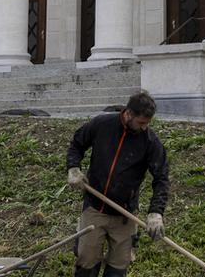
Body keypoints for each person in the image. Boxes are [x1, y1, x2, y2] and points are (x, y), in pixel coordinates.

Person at [66, 90, 170, 277]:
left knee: (119, 266)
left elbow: (161, 178)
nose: (145, 127)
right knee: (86, 260)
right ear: (128, 114)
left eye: (148, 123)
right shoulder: (102, 124)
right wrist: (73, 168)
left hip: (125, 214)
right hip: (95, 208)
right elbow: (77, 143)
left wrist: (156, 213)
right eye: (141, 123)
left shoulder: (150, 142)